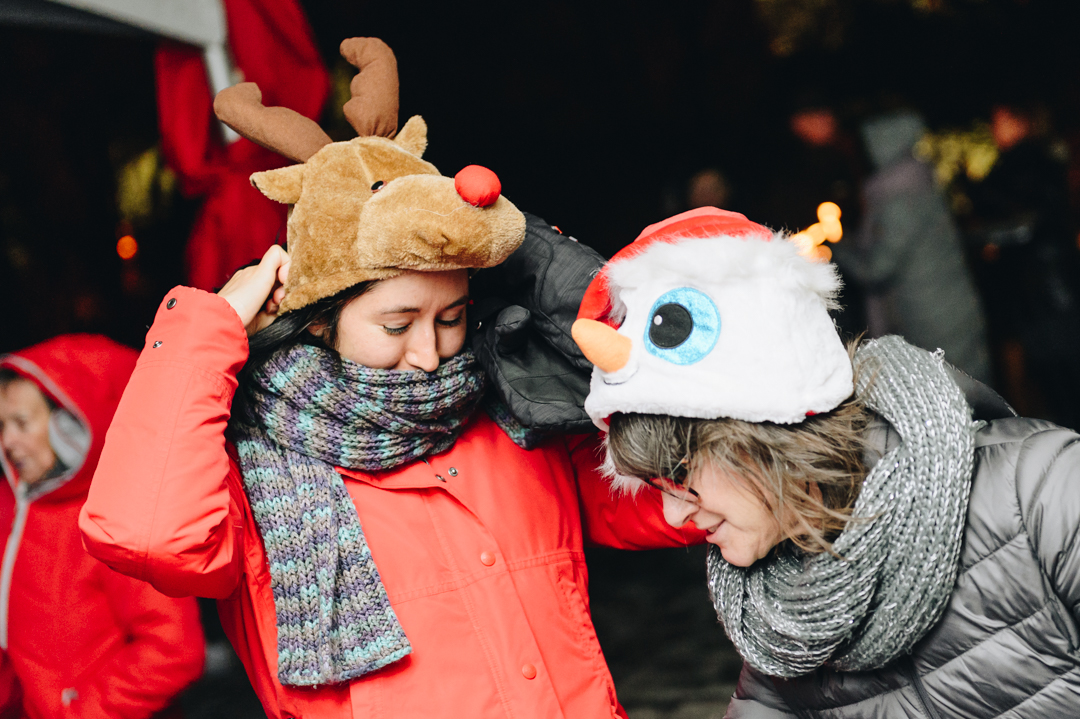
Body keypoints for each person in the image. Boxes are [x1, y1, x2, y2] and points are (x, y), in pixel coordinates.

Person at [79, 37, 701, 719]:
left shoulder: (513, 403)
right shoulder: (253, 463)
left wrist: (545, 264)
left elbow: (677, 485)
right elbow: (146, 534)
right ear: (320, 319)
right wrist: (208, 327)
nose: (430, 355)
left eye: (452, 317)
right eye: (398, 325)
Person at [571, 207, 1080, 717]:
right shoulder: (778, 621)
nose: (674, 515)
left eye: (680, 475)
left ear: (761, 432)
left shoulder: (1041, 487)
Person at [0, 335, 204, 718]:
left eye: (22, 423)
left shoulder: (114, 519)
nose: (8, 441)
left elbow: (173, 649)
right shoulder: (16, 511)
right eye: (2, 425)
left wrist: (83, 712)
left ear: (71, 425)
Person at [834, 109, 992, 384]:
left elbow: (877, 268)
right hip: (949, 307)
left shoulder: (899, 199)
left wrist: (837, 249)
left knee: (961, 397)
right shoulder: (917, 181)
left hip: (935, 319)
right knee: (971, 393)